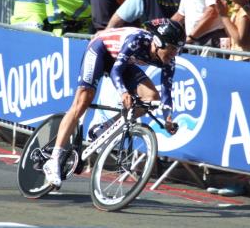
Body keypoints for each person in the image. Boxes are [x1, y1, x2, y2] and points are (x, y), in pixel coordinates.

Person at [42, 18, 186, 188]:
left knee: (151, 97)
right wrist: (123, 92)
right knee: (83, 101)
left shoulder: (169, 61)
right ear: (158, 42)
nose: (172, 56)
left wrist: (168, 118)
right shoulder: (137, 40)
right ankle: (54, 160)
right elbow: (116, 70)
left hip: (121, 61)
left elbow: (166, 93)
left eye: (176, 52)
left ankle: (104, 127)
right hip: (100, 50)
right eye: (170, 51)